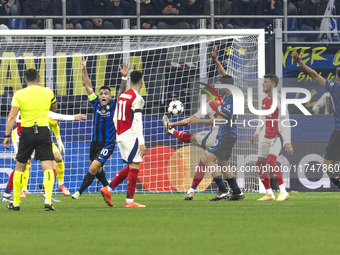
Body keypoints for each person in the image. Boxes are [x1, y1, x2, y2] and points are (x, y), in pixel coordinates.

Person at [71, 57, 128, 199]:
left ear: (110, 96)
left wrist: (124, 78)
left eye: (106, 94)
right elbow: (88, 87)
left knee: (92, 168)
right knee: (97, 169)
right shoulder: (95, 103)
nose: (103, 95)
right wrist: (84, 70)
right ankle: (107, 188)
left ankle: (79, 192)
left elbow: (121, 92)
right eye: (101, 93)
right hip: (95, 143)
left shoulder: (115, 105)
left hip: (108, 143)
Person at [3, 68, 58, 211]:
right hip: (43, 131)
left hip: (26, 132)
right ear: (39, 78)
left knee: (20, 167)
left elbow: (11, 116)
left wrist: (7, 135)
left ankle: (15, 203)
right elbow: (54, 108)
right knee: (47, 167)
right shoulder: (48, 92)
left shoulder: (20, 94)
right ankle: (48, 202)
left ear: (25, 79)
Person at [1, 111, 86, 202]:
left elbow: (53, 117)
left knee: (55, 161)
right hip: (25, 139)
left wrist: (60, 140)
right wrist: (11, 141)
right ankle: (12, 193)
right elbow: (13, 120)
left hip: (40, 138)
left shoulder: (35, 106)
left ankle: (47, 194)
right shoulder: (26, 107)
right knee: (22, 166)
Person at [291, 51, 340, 190]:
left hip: (338, 132)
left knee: (327, 165)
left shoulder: (334, 87)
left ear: (336, 77)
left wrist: (300, 62)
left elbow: (314, 75)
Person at [100, 70, 146, 208]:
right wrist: (142, 142)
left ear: (130, 81)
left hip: (120, 134)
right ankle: (129, 201)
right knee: (135, 165)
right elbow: (137, 120)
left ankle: (107, 189)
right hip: (131, 135)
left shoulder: (122, 96)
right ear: (142, 82)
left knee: (131, 166)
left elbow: (115, 117)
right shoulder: (137, 98)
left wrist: (118, 132)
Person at [251, 74, 293, 201]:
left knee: (270, 161)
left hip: (275, 137)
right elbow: (262, 118)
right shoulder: (264, 100)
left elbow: (286, 121)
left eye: (266, 82)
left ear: (273, 85)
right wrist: (257, 132)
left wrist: (287, 141)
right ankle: (269, 193)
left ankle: (283, 191)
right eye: (263, 81)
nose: (263, 84)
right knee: (259, 163)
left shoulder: (279, 100)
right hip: (265, 136)